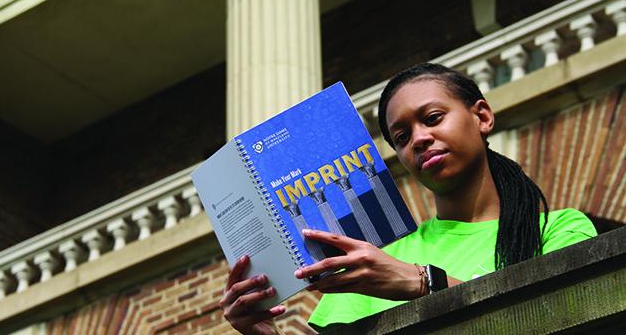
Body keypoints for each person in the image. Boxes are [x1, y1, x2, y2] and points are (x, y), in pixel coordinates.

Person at [219, 63, 597, 334]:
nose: (418, 139)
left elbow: (568, 315)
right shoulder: (382, 255)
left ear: (482, 116)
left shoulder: (560, 228)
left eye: (432, 118)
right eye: (401, 137)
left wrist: (422, 284)